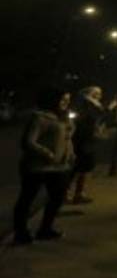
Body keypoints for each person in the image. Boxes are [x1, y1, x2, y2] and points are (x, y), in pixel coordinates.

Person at [12, 86, 74, 244]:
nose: (65, 103)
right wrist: (47, 153)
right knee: (27, 199)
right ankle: (21, 233)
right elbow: (28, 142)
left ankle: (45, 229)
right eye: (62, 99)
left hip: (58, 167)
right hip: (37, 167)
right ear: (52, 100)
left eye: (68, 100)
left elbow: (67, 139)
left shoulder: (63, 118)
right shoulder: (40, 118)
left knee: (57, 198)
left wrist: (70, 154)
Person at [69, 86, 107, 204]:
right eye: (97, 93)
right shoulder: (87, 104)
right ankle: (70, 193)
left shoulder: (91, 104)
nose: (100, 95)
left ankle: (78, 193)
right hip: (83, 139)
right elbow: (89, 119)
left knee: (83, 167)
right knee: (79, 167)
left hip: (87, 138)